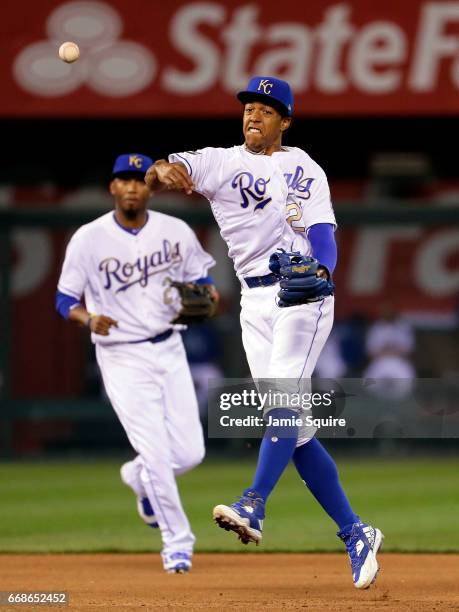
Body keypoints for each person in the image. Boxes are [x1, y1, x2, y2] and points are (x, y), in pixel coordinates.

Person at [145, 77, 383, 589]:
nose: (254, 115)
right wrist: (168, 171)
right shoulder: (221, 161)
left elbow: (323, 234)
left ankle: (253, 504)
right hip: (254, 300)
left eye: (266, 110)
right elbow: (174, 167)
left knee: (280, 402)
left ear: (285, 120)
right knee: (294, 431)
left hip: (304, 297)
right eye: (249, 108)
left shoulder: (307, 169)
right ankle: (356, 531)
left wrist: (322, 273)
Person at [56, 153, 217, 574]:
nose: (131, 186)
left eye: (138, 179)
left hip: (170, 346)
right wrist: (88, 318)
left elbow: (204, 281)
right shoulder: (88, 239)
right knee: (158, 453)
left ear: (149, 187)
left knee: (191, 452)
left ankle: (137, 476)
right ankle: (177, 541)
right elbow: (64, 300)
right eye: (122, 180)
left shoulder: (175, 231)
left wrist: (208, 295)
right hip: (121, 353)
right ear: (112, 188)